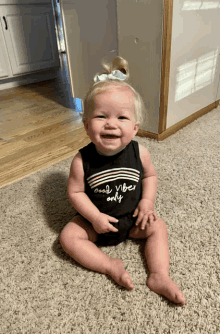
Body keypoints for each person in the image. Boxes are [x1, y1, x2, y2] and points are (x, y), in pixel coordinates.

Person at [59, 56, 186, 306]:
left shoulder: (140, 153)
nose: (111, 125)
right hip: (95, 222)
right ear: (86, 125)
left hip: (133, 218)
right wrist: (94, 218)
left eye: (122, 118)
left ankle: (159, 275)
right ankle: (109, 266)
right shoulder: (80, 160)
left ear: (135, 128)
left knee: (158, 227)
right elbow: (75, 193)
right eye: (101, 116)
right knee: (68, 237)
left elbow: (150, 176)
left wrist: (147, 203)